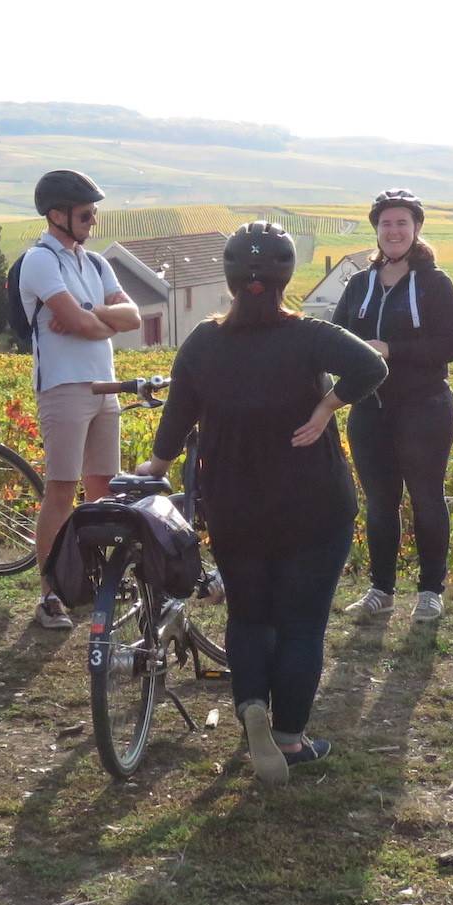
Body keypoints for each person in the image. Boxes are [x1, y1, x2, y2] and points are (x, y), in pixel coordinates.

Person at [139, 221, 386, 785]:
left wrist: (156, 465)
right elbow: (373, 367)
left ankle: (251, 703)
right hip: (314, 502)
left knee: (248, 614)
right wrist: (327, 407)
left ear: (229, 279)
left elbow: (176, 416)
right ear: (285, 278)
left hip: (235, 503)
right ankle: (290, 739)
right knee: (302, 623)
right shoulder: (308, 336)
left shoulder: (203, 341)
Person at [330, 189, 453, 624]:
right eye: (386, 223)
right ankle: (381, 590)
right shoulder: (359, 284)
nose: (393, 231)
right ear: (376, 229)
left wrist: (391, 348)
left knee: (427, 499)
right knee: (380, 503)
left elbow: (452, 345)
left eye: (402, 223)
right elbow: (335, 336)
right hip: (370, 409)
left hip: (424, 407)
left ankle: (430, 592)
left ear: (417, 229)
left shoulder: (435, 283)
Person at [21, 169, 141, 630]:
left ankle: (94, 581)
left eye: (94, 213)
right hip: (64, 386)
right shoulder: (40, 260)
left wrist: (91, 313)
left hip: (103, 386)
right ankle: (50, 594)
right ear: (57, 215)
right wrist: (95, 319)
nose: (93, 220)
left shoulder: (94, 264)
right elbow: (85, 322)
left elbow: (126, 318)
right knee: (61, 490)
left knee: (102, 490)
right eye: (85, 213)